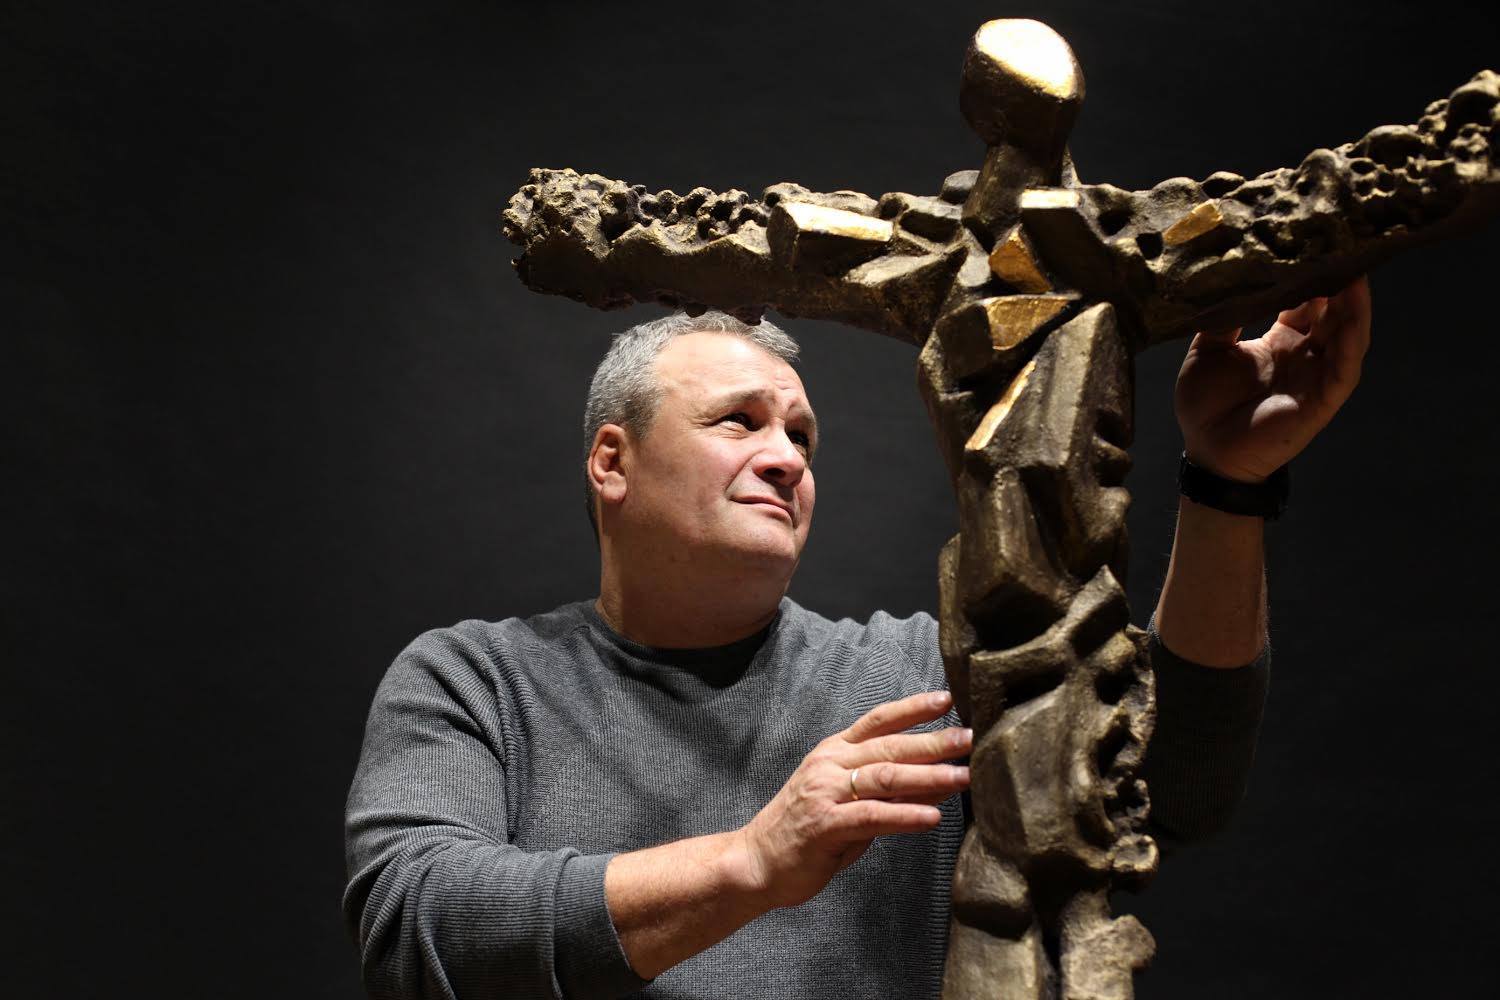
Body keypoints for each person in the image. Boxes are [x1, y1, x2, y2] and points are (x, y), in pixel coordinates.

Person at [342, 279, 1371, 999]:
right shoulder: (475, 681)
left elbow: (1173, 780)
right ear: (613, 462)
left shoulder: (921, 675)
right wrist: (754, 860)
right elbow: (418, 926)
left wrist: (1228, 484)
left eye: (802, 435)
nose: (786, 457)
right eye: (739, 421)